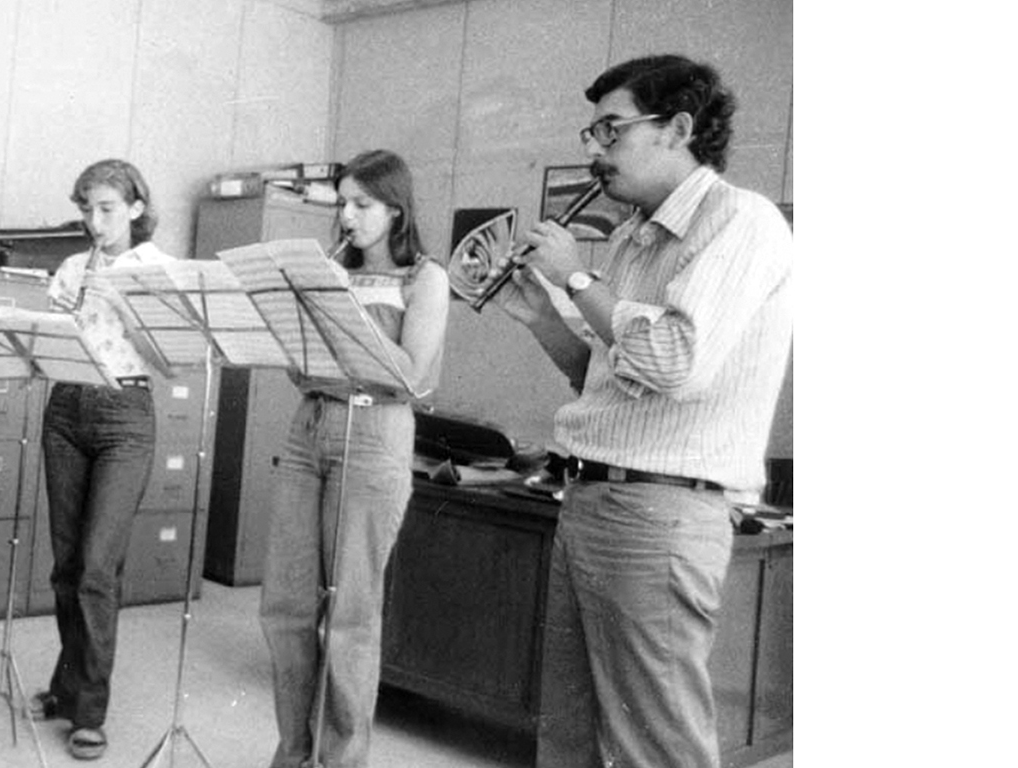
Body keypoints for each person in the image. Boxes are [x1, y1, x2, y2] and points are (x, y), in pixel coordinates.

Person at [489, 55, 792, 768]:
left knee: (655, 746)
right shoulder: (631, 235)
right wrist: (543, 318)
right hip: (593, 499)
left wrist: (575, 274)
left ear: (678, 128)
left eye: (610, 130)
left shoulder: (740, 221)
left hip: (661, 513)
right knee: (568, 735)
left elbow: (673, 363)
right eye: (591, 132)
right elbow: (602, 378)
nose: (594, 151)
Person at [257, 149, 449, 768]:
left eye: (362, 205)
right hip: (310, 424)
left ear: (396, 210)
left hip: (374, 432)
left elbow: (417, 380)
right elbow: (297, 368)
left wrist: (349, 324)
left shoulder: (425, 277)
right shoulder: (328, 268)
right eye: (342, 203)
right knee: (285, 606)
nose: (348, 216)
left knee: (350, 614)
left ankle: (341, 761)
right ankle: (293, 754)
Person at [27, 159, 175, 761]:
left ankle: (88, 709)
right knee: (66, 565)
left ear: (137, 208)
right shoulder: (70, 266)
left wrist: (125, 301)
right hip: (66, 408)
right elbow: (49, 343)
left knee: (95, 567)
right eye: (87, 208)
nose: (94, 220)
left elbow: (169, 359)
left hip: (124, 412)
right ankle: (67, 689)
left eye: (107, 208)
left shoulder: (159, 268)